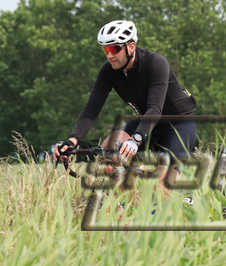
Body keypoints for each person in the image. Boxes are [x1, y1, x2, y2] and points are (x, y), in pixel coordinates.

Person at [53, 20, 197, 168]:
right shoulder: (108, 71)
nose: (110, 55)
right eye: (106, 50)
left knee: (164, 177)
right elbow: (91, 109)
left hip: (179, 122)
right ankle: (120, 181)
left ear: (131, 46)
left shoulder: (156, 63)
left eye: (114, 49)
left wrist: (136, 139)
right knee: (109, 153)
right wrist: (72, 140)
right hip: (147, 123)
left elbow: (155, 109)